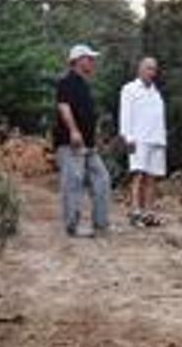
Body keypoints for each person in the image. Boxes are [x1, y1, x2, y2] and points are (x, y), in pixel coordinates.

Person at [54, 44, 111, 237]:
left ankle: (101, 224)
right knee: (73, 182)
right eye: (89, 58)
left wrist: (95, 139)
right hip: (71, 143)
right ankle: (72, 226)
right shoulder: (66, 81)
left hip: (88, 145)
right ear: (78, 60)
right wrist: (74, 131)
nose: (93, 62)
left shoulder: (84, 84)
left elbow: (88, 114)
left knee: (102, 179)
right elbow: (64, 107)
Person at [119, 57, 167, 227]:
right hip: (139, 139)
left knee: (152, 178)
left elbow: (158, 117)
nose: (151, 72)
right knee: (138, 175)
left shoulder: (156, 92)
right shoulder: (130, 89)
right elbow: (125, 113)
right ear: (140, 69)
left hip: (156, 139)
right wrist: (127, 136)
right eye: (148, 68)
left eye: (154, 69)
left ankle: (149, 213)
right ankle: (136, 212)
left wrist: (162, 139)